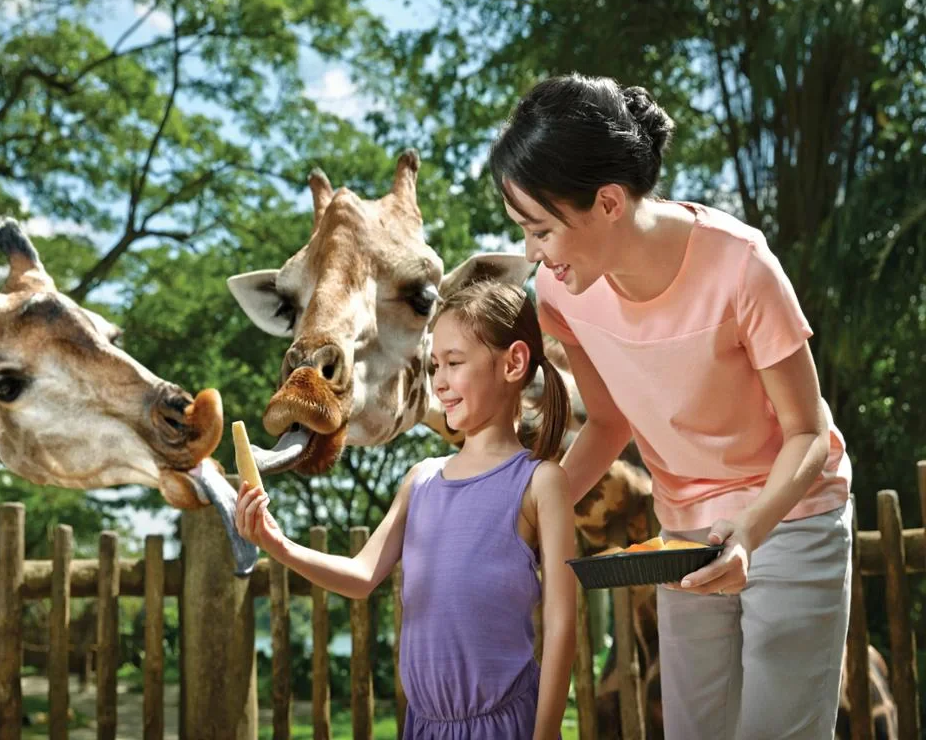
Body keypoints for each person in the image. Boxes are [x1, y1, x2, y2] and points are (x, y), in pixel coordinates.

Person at [489, 74, 852, 740]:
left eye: (540, 230)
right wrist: (524, 512)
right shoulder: (560, 293)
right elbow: (607, 423)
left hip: (792, 511)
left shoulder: (741, 267)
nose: (530, 253)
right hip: (684, 527)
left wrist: (753, 531)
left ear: (607, 202)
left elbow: (809, 431)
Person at [236, 281, 578, 739]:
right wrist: (276, 544)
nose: (439, 381)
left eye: (455, 363)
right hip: (423, 727)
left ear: (513, 363)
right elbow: (361, 576)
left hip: (507, 726)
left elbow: (561, 625)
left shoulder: (540, 482)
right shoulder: (421, 480)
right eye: (436, 364)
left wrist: (545, 736)